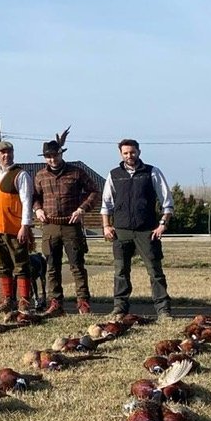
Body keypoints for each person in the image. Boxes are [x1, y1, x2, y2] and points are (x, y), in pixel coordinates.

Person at [100, 139, 175, 320]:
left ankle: (163, 310)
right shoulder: (114, 175)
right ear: (121, 154)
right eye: (125, 153)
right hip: (121, 231)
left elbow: (167, 202)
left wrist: (162, 224)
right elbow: (106, 203)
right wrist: (106, 225)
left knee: (155, 271)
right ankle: (119, 309)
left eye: (132, 152)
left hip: (146, 231)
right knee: (120, 272)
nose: (129, 156)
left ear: (139, 152)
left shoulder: (152, 172)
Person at [32, 130, 100, 316]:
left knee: (77, 266)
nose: (52, 159)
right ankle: (56, 304)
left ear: (61, 154)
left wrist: (82, 209)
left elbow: (94, 191)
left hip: (72, 226)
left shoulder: (76, 173)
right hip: (50, 226)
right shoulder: (39, 176)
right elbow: (34, 197)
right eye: (49, 156)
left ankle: (83, 302)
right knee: (52, 267)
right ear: (45, 157)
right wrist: (37, 209)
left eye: (55, 155)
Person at [0, 140, 34, 313]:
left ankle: (24, 301)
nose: (6, 155)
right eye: (2, 152)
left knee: (21, 264)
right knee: (2, 265)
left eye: (9, 152)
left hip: (15, 227)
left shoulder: (20, 174)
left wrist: (25, 226)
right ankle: (7, 299)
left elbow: (27, 201)